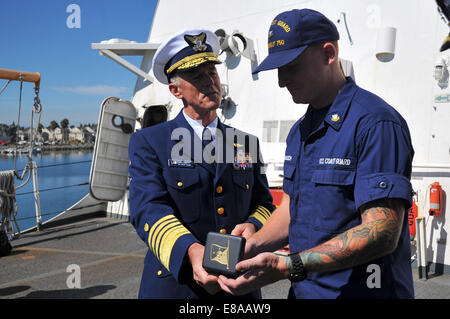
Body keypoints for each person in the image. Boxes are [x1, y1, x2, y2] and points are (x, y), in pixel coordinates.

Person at [218, 8, 415, 298]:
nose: (282, 81)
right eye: (278, 69)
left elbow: (382, 231)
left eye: (292, 66)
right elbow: (291, 207)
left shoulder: (375, 123)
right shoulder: (300, 132)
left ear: (328, 54)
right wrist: (254, 243)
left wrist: (289, 266)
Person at [128, 28, 275, 299]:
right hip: (177, 284)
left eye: (212, 73)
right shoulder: (150, 142)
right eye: (197, 76)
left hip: (239, 285)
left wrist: (253, 224)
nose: (210, 82)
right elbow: (147, 209)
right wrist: (192, 251)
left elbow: (264, 203)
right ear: (175, 90)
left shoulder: (246, 144)